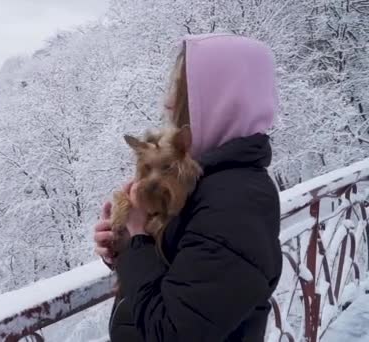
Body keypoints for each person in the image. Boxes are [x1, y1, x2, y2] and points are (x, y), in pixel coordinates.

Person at [93, 33, 283, 341]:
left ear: (223, 101)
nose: (168, 103)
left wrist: (140, 236)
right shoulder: (210, 181)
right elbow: (181, 274)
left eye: (182, 92)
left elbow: (172, 332)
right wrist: (126, 247)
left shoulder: (235, 202)